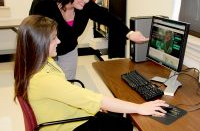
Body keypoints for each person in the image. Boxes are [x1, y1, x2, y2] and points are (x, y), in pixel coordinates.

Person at [14, 15, 168, 131]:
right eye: (54, 38)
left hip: (67, 114)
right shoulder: (43, 79)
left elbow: (70, 93)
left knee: (117, 119)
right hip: (67, 126)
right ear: (39, 43)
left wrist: (91, 105)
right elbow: (96, 99)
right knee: (124, 124)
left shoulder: (39, 62)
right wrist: (140, 107)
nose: (59, 41)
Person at [29, 0, 149, 80]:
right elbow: (34, 32)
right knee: (46, 85)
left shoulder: (85, 6)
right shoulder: (43, 3)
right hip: (44, 51)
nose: (87, 0)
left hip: (68, 50)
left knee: (67, 83)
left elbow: (106, 17)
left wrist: (130, 33)